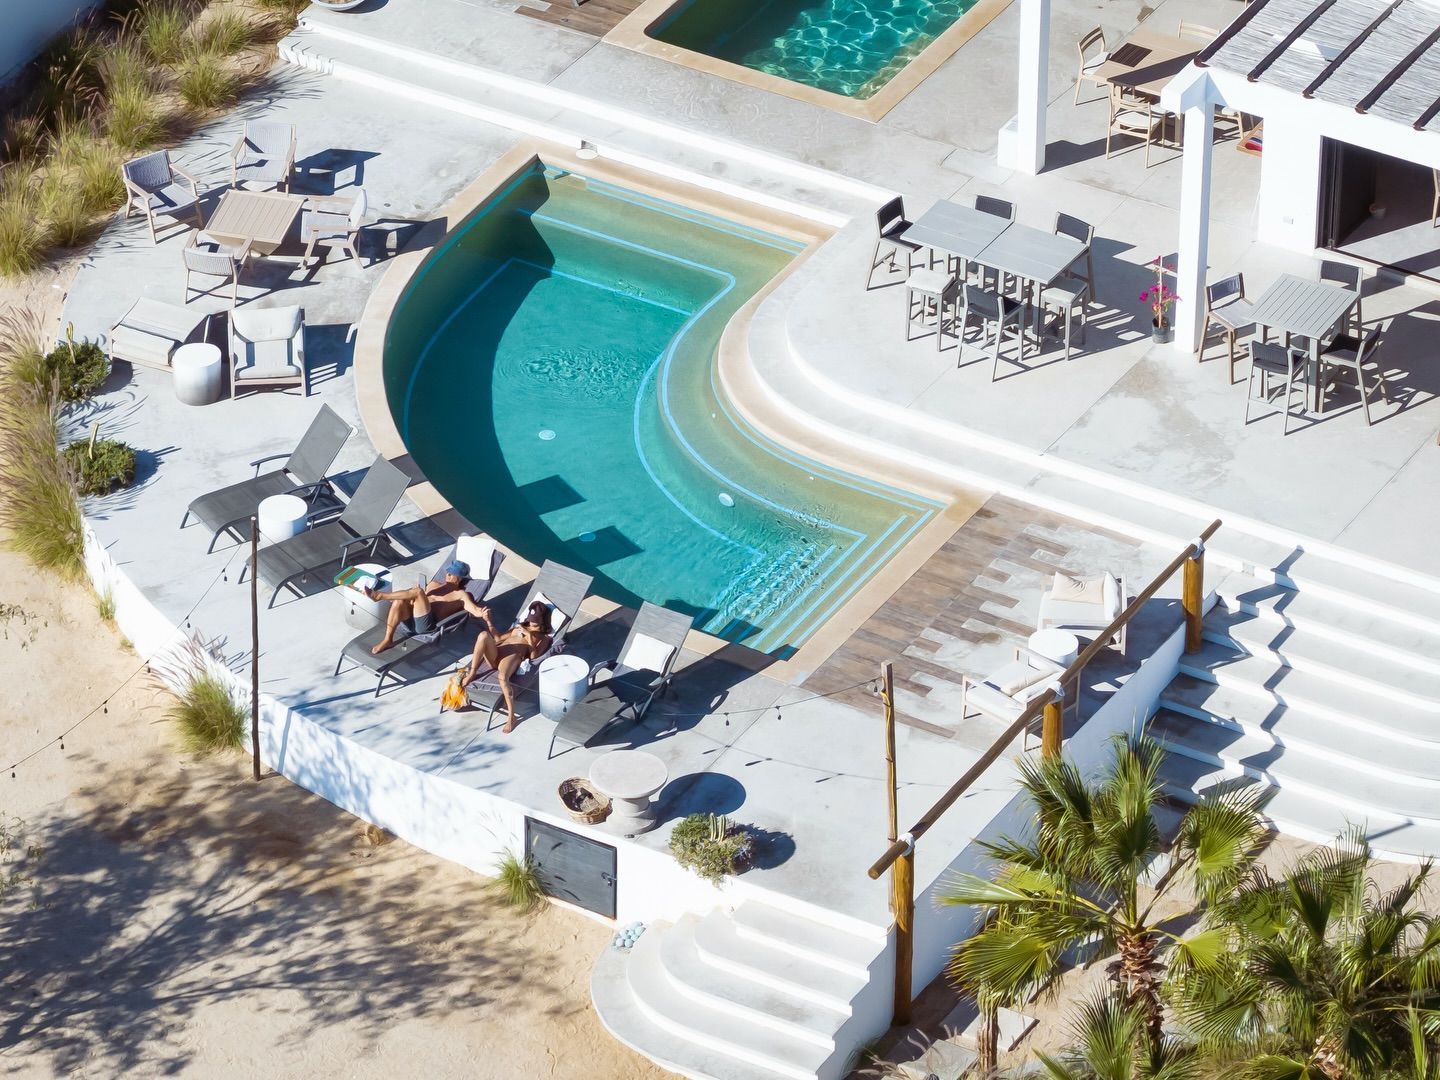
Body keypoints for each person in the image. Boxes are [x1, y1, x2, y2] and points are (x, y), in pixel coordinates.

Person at [459, 599, 553, 734]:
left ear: (542, 620)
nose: (531, 622)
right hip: (497, 653)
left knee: (502, 678)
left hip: (511, 657)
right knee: (483, 635)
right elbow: (497, 639)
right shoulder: (518, 628)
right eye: (531, 619)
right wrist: (489, 621)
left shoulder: (544, 638)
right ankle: (473, 672)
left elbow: (534, 657)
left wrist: (529, 637)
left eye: (535, 620)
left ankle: (511, 717)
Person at [364, 560, 480, 655]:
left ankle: (379, 595)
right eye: (448, 572)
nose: (448, 575)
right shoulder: (434, 584)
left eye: (452, 574)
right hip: (411, 618)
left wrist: (481, 613)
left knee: (418, 592)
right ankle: (388, 640)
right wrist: (412, 593)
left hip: (426, 625)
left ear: (460, 579)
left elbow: (473, 609)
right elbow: (418, 599)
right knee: (400, 601)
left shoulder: (461, 595)